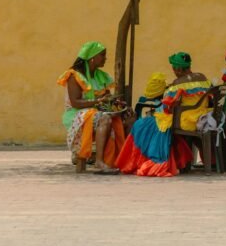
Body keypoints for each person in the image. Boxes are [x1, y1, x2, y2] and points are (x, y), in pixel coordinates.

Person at [57, 41, 125, 174]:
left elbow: (106, 98)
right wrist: (99, 101)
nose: (105, 58)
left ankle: (120, 160)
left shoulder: (101, 76)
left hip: (94, 111)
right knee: (105, 119)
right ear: (92, 58)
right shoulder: (74, 76)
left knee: (125, 119)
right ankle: (99, 161)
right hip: (76, 114)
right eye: (102, 55)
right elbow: (76, 103)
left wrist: (117, 104)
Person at [116, 68, 194, 177]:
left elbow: (167, 108)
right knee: (142, 124)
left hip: (169, 119)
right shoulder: (195, 83)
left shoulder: (175, 88)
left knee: (140, 125)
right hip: (180, 117)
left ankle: (139, 161)